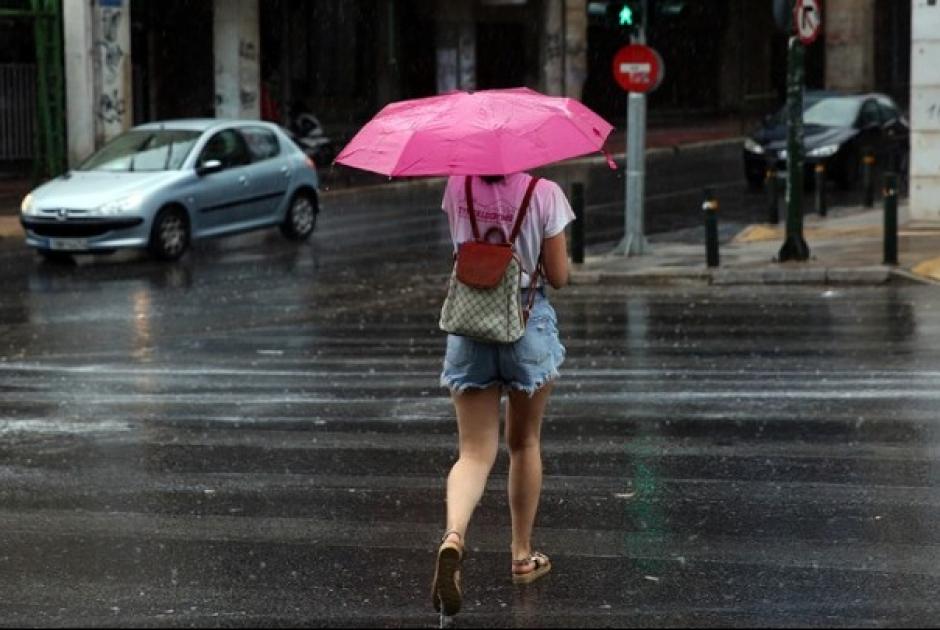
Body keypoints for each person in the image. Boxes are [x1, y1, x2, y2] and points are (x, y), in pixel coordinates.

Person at [432, 172, 574, 617]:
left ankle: (454, 536)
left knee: (473, 452)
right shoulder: (545, 193)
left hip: (471, 323)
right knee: (524, 442)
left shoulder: (459, 187)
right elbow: (559, 275)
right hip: (526, 322)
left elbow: (460, 251)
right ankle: (521, 554)